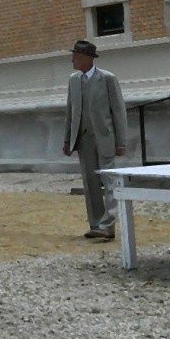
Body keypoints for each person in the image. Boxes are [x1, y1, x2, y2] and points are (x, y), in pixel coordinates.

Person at [63, 40, 130, 240]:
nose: (72, 59)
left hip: (105, 138)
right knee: (90, 183)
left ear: (87, 58)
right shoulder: (73, 80)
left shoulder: (107, 78)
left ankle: (108, 224)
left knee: (108, 181)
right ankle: (96, 224)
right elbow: (70, 112)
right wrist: (67, 139)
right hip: (83, 139)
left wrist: (121, 142)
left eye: (76, 55)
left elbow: (119, 111)